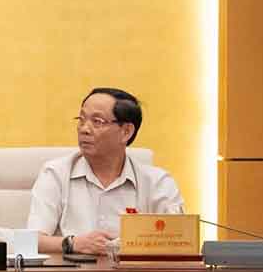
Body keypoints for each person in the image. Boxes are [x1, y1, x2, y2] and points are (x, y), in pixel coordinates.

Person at [27, 87, 185, 257]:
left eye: (97, 122)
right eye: (81, 119)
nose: (84, 129)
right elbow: (32, 240)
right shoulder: (56, 173)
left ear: (126, 132)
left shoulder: (157, 182)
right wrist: (74, 243)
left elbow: (181, 241)